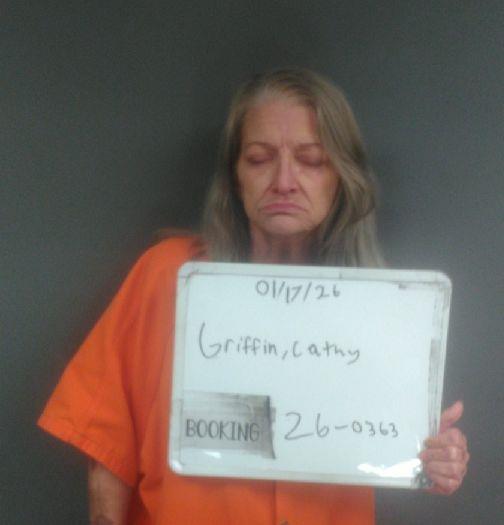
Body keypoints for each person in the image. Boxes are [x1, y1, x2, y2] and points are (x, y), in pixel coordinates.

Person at [38, 68, 469, 525]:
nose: (284, 181)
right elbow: (107, 443)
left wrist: (434, 457)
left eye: (311, 160)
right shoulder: (169, 277)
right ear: (235, 176)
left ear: (341, 177)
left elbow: (395, 448)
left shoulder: (380, 309)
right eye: (260, 159)